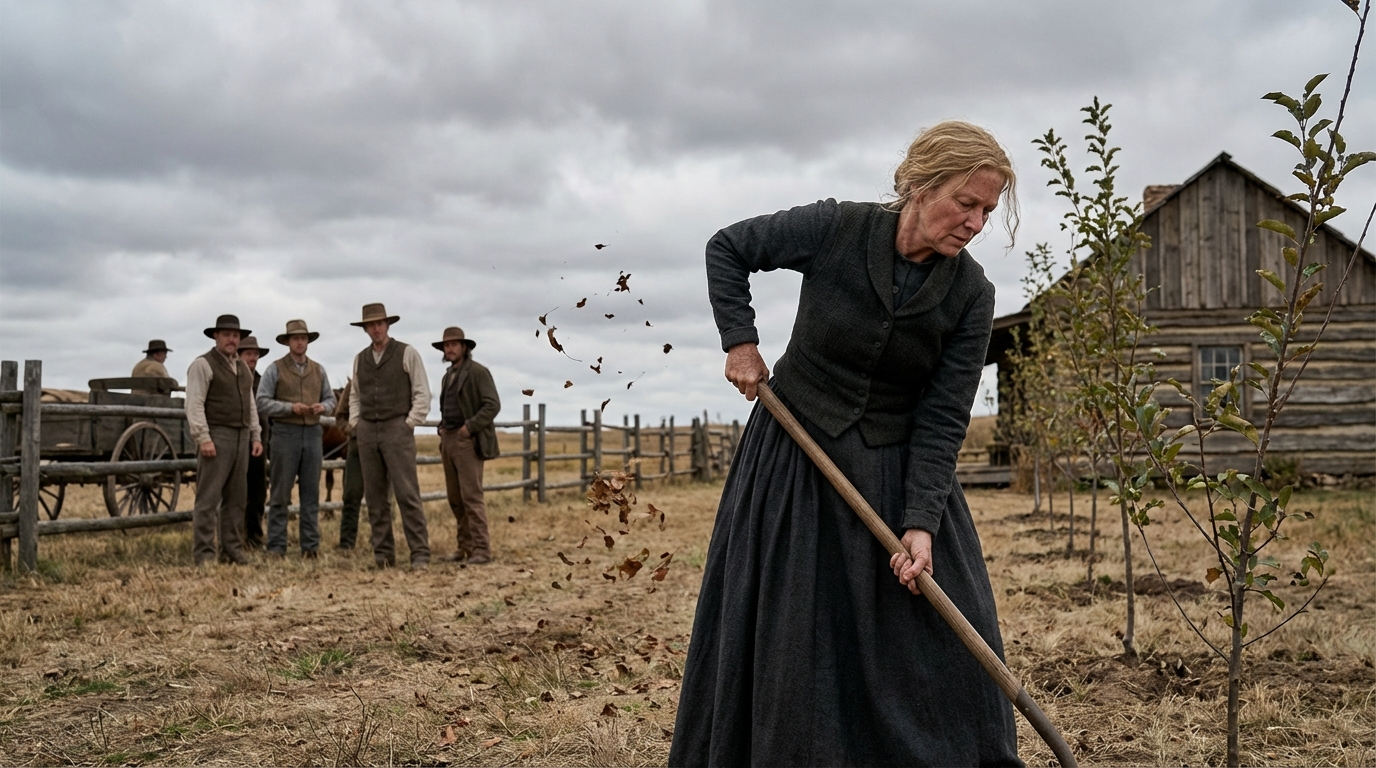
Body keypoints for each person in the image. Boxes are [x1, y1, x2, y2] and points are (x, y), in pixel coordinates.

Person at [669, 122, 1022, 767]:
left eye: (987, 211)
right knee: (796, 629)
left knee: (937, 639)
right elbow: (727, 248)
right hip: (795, 461)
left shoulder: (971, 295)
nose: (975, 222)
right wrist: (739, 340)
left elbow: (944, 415)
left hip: (894, 471)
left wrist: (921, 522)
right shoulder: (837, 228)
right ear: (919, 185)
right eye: (965, 203)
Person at [348, 303, 432, 569]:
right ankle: (383, 556)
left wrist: (409, 423)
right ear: (365, 329)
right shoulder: (360, 358)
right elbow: (355, 394)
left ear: (387, 325)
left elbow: (422, 392)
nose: (375, 328)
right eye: (370, 325)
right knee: (374, 498)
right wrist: (356, 422)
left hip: (397, 429)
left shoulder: (407, 353)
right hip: (367, 431)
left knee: (407, 494)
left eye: (379, 323)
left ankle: (420, 553)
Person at [185, 314, 264, 566]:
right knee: (208, 499)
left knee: (237, 498)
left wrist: (255, 434)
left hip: (241, 436)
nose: (231, 339)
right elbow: (194, 403)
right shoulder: (203, 364)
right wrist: (203, 437)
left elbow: (251, 404)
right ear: (216, 336)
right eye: (226, 334)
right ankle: (205, 555)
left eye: (235, 335)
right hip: (217, 435)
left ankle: (232, 550)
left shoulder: (242, 367)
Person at [257, 320, 336, 559]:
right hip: (284, 434)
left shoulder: (319, 370)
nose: (300, 342)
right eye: (295, 339)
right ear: (288, 342)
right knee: (280, 493)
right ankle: (276, 547)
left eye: (303, 338)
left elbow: (332, 401)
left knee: (311, 494)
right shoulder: (274, 369)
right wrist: (291, 408)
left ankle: (310, 547)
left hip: (313, 434)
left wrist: (323, 407)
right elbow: (262, 401)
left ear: (308, 342)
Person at [433, 327, 500, 565]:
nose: (449, 348)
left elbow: (492, 405)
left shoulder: (478, 372)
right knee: (455, 498)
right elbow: (449, 407)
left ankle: (482, 549)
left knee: (471, 496)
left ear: (464, 347)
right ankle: (465, 547)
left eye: (454, 344)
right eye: (446, 345)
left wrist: (468, 428)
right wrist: (442, 427)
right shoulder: (448, 375)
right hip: (448, 439)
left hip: (467, 440)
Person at [237, 335, 271, 548]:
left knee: (258, 494)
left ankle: (254, 537)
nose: (253, 358)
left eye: (256, 354)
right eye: (249, 354)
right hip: (237, 444)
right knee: (235, 494)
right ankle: (235, 538)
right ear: (239, 356)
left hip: (259, 446)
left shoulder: (262, 382)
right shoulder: (233, 378)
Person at [332, 378, 365, 551]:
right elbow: (340, 415)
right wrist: (350, 430)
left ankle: (381, 542)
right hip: (357, 445)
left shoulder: (390, 379)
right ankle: (347, 543)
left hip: (383, 444)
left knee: (381, 496)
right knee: (351, 494)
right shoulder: (353, 385)